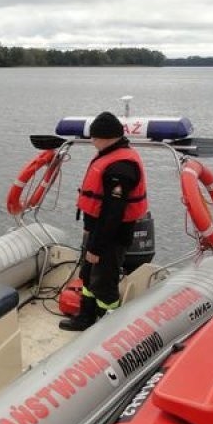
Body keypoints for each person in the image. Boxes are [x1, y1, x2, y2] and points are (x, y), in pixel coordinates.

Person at [60, 111, 148, 332]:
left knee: (105, 284)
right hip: (96, 232)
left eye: (95, 137)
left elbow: (113, 213)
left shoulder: (121, 168)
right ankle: (85, 318)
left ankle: (108, 330)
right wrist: (90, 237)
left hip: (111, 237)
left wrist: (96, 247)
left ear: (107, 137)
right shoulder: (110, 155)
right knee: (88, 277)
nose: (92, 141)